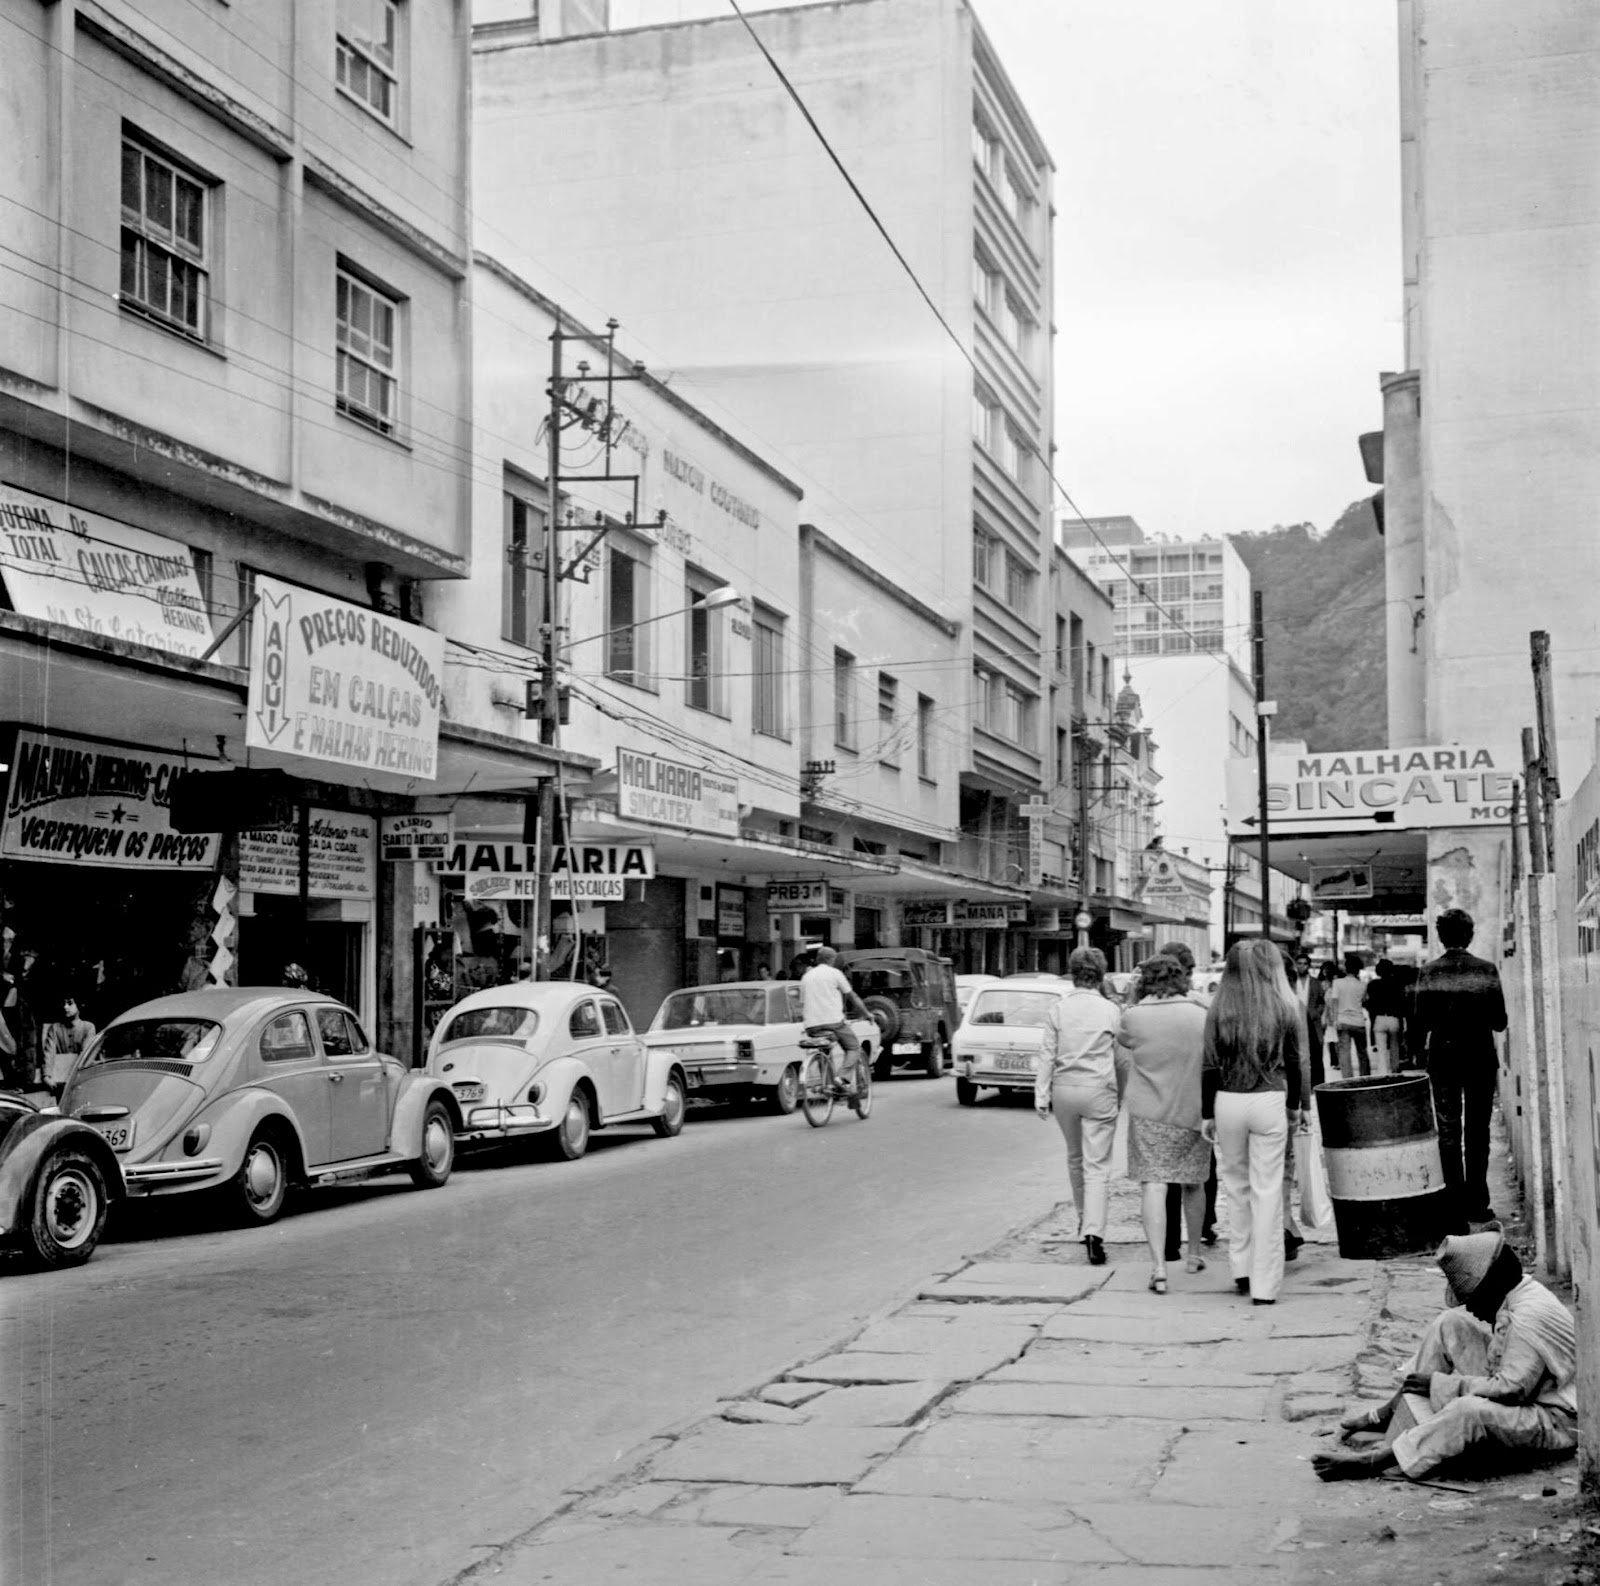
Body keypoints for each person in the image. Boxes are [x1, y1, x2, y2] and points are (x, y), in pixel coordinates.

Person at [1313, 1231, 1575, 1483]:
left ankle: (1379, 1460)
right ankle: (1398, 1409)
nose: (1470, 1307)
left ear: (1491, 1287)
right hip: (1532, 1393)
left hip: (1555, 1421)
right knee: (1450, 1323)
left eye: (1473, 1298)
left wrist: (1442, 1385)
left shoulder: (1526, 1318)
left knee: (1467, 1411)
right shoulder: (1520, 1291)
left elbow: (1514, 1390)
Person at [1201, 938, 1306, 1305]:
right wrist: (1294, 1105)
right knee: (1268, 1191)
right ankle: (1265, 1284)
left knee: (1236, 1188)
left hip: (1228, 1100)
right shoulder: (1281, 1005)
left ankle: (1241, 1268)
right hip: (1269, 1098)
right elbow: (1294, 1063)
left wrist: (1206, 1113)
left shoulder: (1219, 1007)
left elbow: (1209, 1065)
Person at [1410, 908, 1509, 1232]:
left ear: (1441, 936)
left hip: (1444, 1059)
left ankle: (1453, 1209)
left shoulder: (1429, 971)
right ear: (1470, 934)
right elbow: (1500, 1022)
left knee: (1448, 1133)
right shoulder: (1486, 969)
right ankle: (1477, 1204)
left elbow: (1420, 1022)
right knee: (1477, 1132)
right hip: (1480, 1059)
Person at [1118, 953, 1209, 1293]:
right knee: (1194, 1183)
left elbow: (1124, 1041)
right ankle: (1195, 1252)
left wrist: (1132, 999)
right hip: (1192, 1110)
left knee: (1153, 1185)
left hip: (1148, 1114)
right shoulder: (1200, 1014)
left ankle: (1158, 1266)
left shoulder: (1134, 1017)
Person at [1033, 946, 1122, 1266]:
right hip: (1098, 1089)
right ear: (1100, 975)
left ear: (1073, 973)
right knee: (1097, 1165)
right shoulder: (1110, 1010)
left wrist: (1041, 1095)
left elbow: (1047, 1054)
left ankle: (1084, 1220)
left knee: (1075, 1158)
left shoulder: (1059, 1009)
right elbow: (1118, 1055)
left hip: (1065, 1091)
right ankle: (1094, 1234)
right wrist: (1121, 1093)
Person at [1154, 942, 1218, 1258]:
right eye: (1188, 971)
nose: (1192, 977)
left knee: (1166, 1173)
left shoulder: (1144, 1008)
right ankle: (1200, 1229)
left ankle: (1170, 1243)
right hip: (1193, 1097)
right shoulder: (1199, 1008)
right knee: (1198, 1173)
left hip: (1163, 1099)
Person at [798, 946, 870, 1090]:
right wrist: (867, 1014)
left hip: (811, 1026)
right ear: (832, 959)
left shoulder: (806, 977)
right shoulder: (835, 973)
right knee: (853, 1047)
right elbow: (852, 997)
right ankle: (842, 1078)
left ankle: (829, 1083)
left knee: (823, 1049)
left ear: (818, 959)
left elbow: (802, 1003)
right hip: (834, 1023)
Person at [42, 995, 97, 1097]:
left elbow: (85, 1054)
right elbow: (49, 1052)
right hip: (59, 1082)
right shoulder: (54, 1028)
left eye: (70, 1003)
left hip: (81, 1079)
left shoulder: (88, 1027)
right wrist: (47, 1075)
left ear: (79, 1005)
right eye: (63, 1004)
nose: (65, 1007)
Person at [1363, 957, 1405, 1076]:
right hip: (1394, 1018)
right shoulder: (1397, 984)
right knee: (1394, 1049)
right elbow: (1402, 1003)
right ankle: (1395, 1073)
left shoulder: (1373, 985)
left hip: (1379, 1019)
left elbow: (1369, 1003)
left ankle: (1383, 1074)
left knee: (1381, 1051)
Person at [1330, 953, 1370, 1078]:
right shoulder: (1362, 985)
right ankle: (1365, 1077)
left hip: (1343, 1021)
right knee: (1362, 1052)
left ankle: (1347, 1079)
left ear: (1346, 968)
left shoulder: (1337, 983)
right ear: (1358, 969)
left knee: (1344, 1052)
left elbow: (1334, 1002)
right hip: (1358, 1021)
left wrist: (1335, 1020)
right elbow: (1364, 1001)